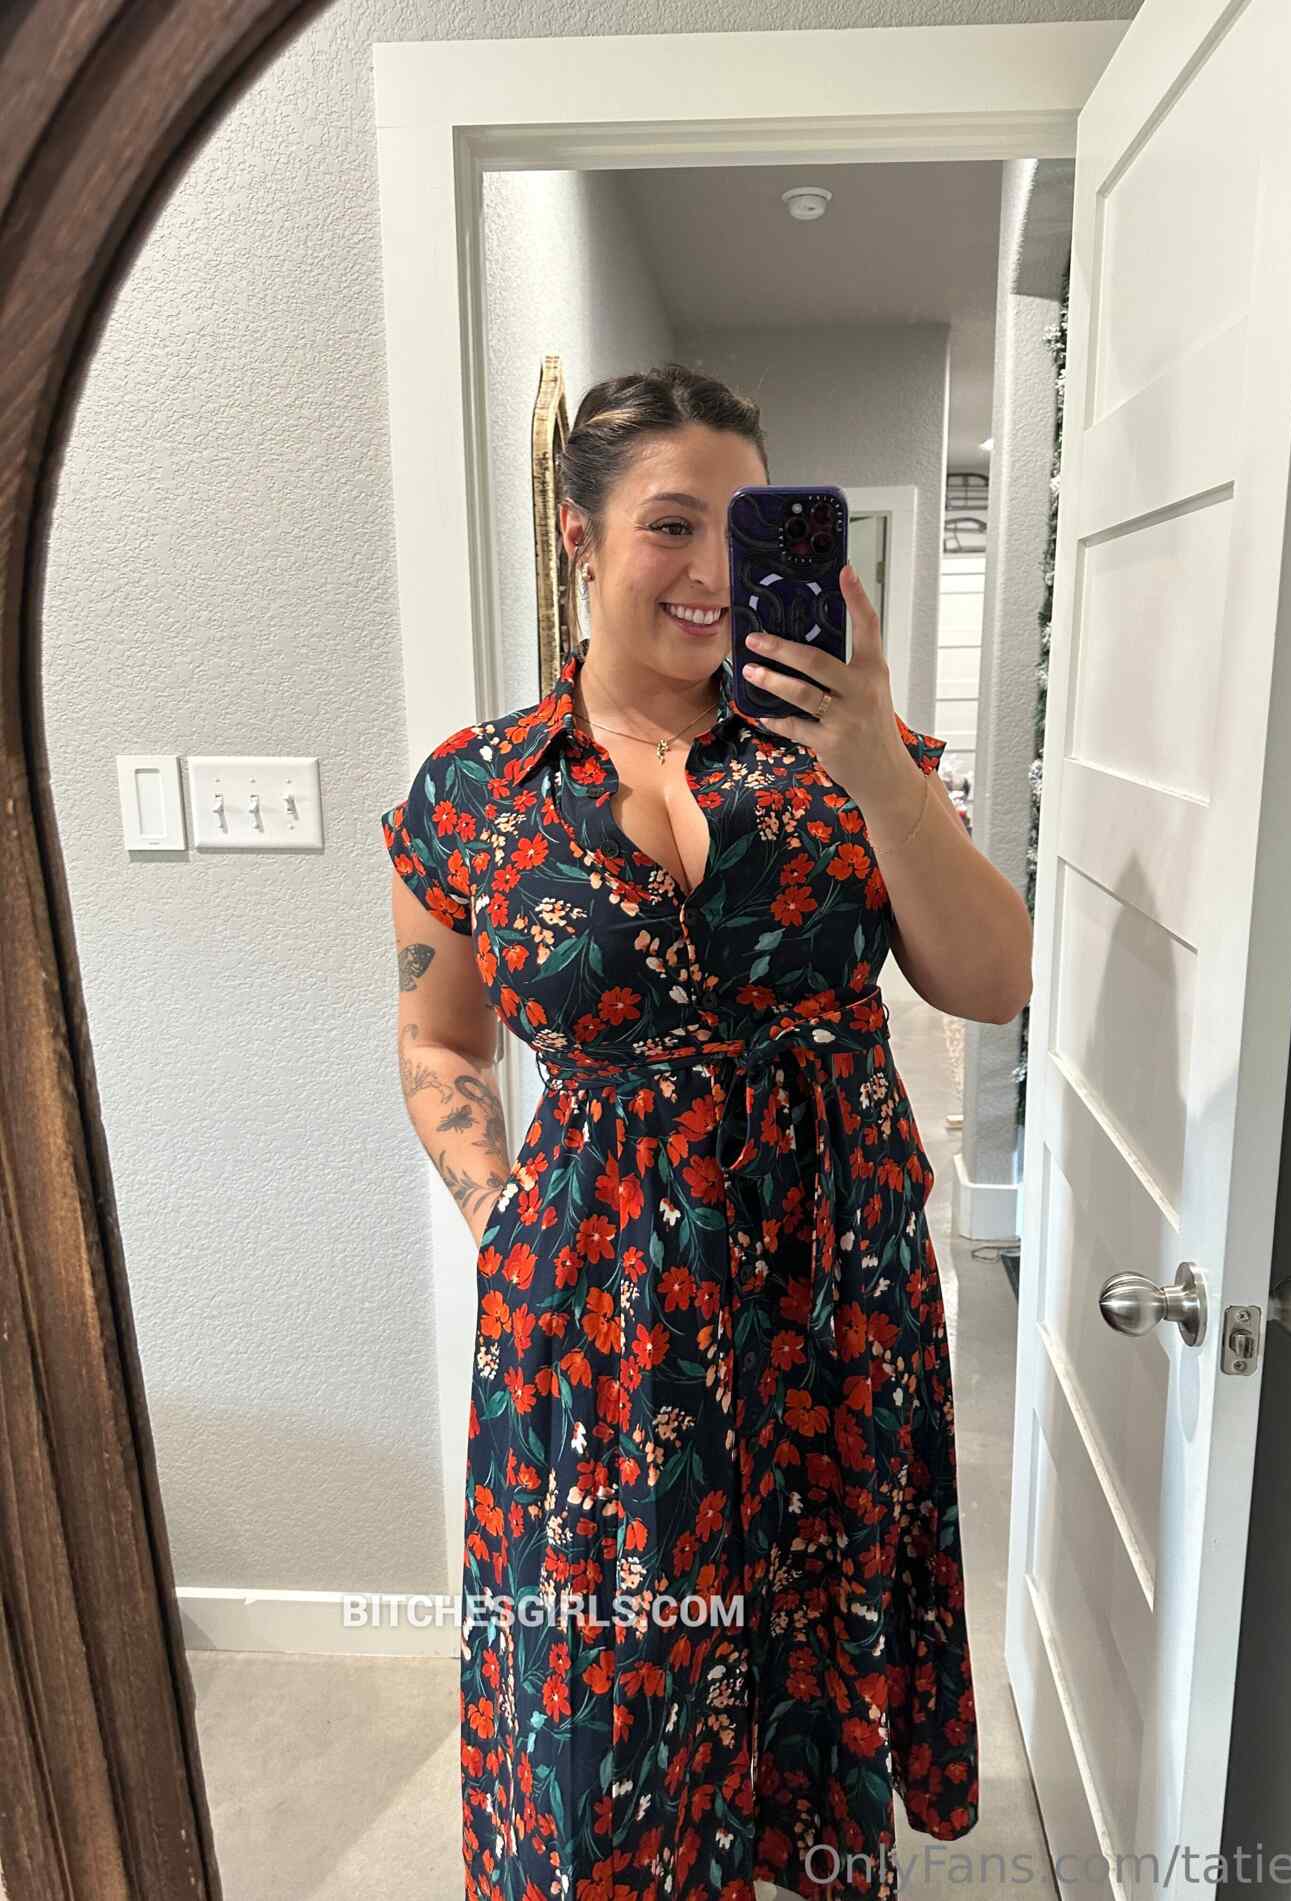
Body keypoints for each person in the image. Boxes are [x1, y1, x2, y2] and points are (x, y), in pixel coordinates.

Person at [381, 363, 1028, 1900]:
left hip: (830, 1283)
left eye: (743, 527)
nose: (714, 572)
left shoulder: (851, 753)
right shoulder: (474, 790)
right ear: (579, 534)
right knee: (606, 1674)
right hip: (594, 1301)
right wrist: (496, 1211)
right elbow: (437, 1036)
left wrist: (871, 758)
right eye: (670, 523)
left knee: (806, 1639)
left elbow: (989, 980)